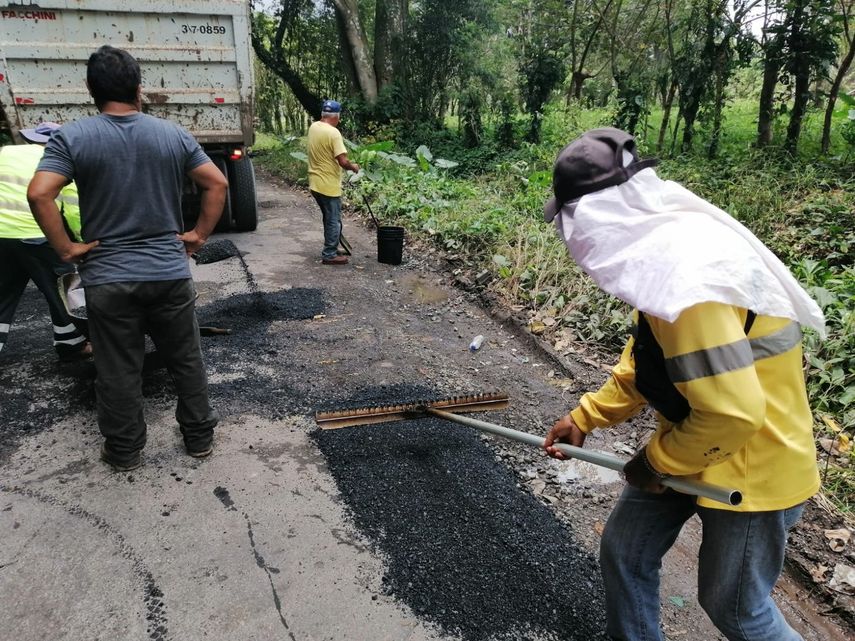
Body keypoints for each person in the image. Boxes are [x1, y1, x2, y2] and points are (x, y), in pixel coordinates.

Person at [541, 128, 825, 641]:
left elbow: (733, 415)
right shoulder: (663, 256)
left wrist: (656, 464)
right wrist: (585, 417)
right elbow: (649, 360)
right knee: (626, 554)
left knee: (736, 609)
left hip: (752, 466)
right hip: (694, 439)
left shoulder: (689, 277)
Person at [27, 45, 228, 472]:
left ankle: (124, 451)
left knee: (118, 368)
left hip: (107, 278)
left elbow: (40, 193)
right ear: (139, 89)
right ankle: (198, 439)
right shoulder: (171, 134)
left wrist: (66, 249)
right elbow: (216, 184)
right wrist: (196, 236)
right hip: (168, 273)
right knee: (185, 359)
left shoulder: (73, 137)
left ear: (90, 90)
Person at [0, 122, 90, 361]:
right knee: (62, 288)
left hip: (1, 234)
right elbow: (74, 211)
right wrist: (83, 244)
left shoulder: (6, 152)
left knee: (3, 292)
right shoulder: (60, 163)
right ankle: (71, 345)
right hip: (34, 234)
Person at [307, 99, 359, 265]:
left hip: (315, 183)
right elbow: (343, 161)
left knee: (330, 218)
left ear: (323, 114)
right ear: (336, 117)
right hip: (328, 186)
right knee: (333, 220)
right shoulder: (334, 133)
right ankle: (329, 254)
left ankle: (333, 247)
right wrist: (354, 167)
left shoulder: (314, 127)